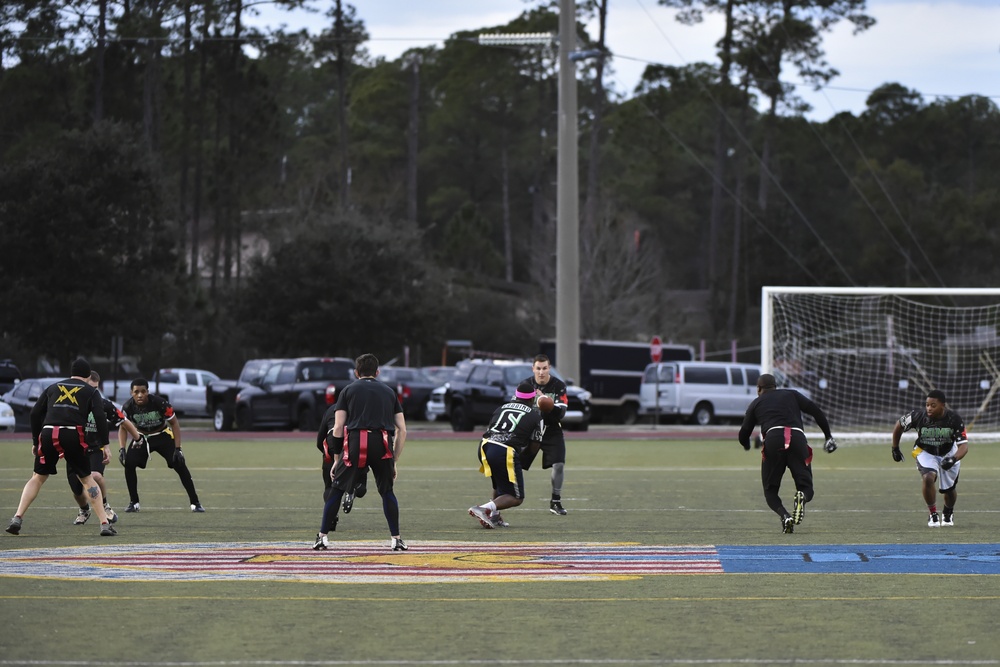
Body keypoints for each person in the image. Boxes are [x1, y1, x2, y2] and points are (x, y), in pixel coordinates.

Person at [5, 358, 117, 537]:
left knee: (38, 477)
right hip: (73, 433)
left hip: (48, 432)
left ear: (71, 373)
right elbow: (99, 417)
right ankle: (104, 523)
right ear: (88, 376)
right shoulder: (91, 391)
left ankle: (17, 517)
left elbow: (35, 413)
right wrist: (105, 445)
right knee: (87, 479)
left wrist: (36, 441)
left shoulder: (53, 387)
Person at [313, 353, 408, 551]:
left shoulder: (348, 390)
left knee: (337, 489)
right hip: (382, 442)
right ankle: (396, 539)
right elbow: (402, 430)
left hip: (356, 442)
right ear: (377, 372)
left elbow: (338, 427)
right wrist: (395, 460)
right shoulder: (389, 392)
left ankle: (322, 537)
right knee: (387, 491)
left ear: (356, 373)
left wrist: (337, 458)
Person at [738, 373, 837, 534]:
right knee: (807, 488)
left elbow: (743, 435)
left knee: (770, 492)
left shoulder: (756, 403)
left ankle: (785, 516)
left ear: (758, 389)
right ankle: (802, 497)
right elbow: (816, 411)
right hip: (798, 439)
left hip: (773, 440)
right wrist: (828, 437)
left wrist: (747, 445)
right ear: (775, 386)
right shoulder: (792, 394)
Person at [66, 370, 141, 525]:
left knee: (96, 476)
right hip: (75, 449)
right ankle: (84, 510)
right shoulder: (72, 403)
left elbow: (124, 421)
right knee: (76, 490)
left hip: (96, 449)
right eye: (90, 387)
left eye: (96, 388)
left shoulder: (102, 403)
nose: (93, 391)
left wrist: (138, 438)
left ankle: (105, 505)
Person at [468, 380, 547, 529]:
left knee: (500, 484)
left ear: (516, 396)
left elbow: (491, 429)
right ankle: (483, 509)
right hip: (504, 450)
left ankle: (494, 516)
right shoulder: (536, 417)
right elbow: (534, 447)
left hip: (484, 446)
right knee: (516, 497)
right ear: (532, 399)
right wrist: (522, 459)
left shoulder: (501, 408)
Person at [118, 378, 205, 513]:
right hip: (141, 437)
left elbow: (174, 423)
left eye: (143, 391)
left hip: (162, 435)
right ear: (131, 393)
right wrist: (122, 448)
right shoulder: (127, 407)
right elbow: (123, 428)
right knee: (129, 463)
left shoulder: (160, 403)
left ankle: (195, 502)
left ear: (148, 392)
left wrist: (178, 449)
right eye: (136, 392)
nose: (140, 395)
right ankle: (134, 502)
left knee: (179, 463)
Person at [891, 389, 968, 527]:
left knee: (949, 490)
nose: (929, 408)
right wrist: (895, 448)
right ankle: (932, 514)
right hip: (925, 451)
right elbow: (899, 425)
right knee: (928, 478)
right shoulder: (918, 416)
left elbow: (964, 447)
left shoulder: (954, 419)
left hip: (948, 452)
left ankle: (948, 512)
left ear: (943, 406)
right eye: (927, 404)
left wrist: (953, 459)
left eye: (933, 405)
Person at [522, 354, 570, 515]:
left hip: (551, 429)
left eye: (544, 368)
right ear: (533, 369)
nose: (541, 372)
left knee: (559, 464)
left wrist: (546, 403)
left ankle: (555, 501)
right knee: (511, 463)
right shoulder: (526, 385)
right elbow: (517, 408)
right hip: (530, 429)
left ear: (549, 368)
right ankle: (499, 502)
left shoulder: (559, 385)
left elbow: (561, 412)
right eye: (538, 368)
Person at [316, 402, 367, 531]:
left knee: (330, 487)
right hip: (354, 443)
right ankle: (353, 489)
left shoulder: (331, 410)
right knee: (361, 484)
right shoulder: (360, 407)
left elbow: (319, 440)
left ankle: (331, 517)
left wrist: (331, 456)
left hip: (332, 444)